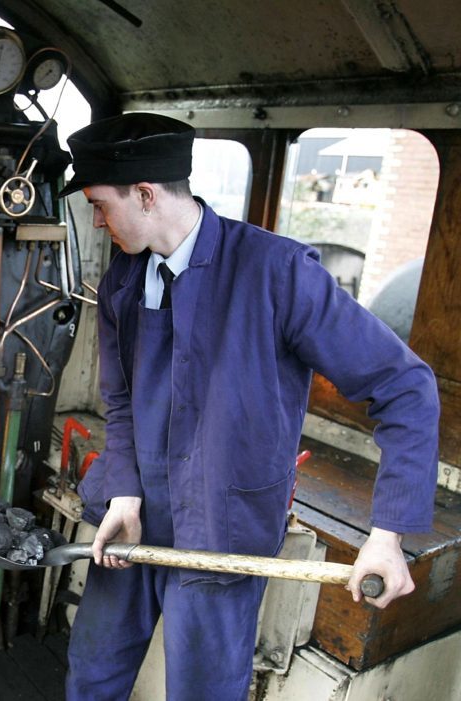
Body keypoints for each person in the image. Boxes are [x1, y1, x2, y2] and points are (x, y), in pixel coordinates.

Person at [60, 113, 439, 700]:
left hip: (222, 527)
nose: (98, 220)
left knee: (204, 693)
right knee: (92, 674)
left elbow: (405, 385)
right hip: (135, 521)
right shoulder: (123, 280)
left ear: (144, 194)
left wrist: (387, 535)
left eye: (100, 204)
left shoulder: (278, 272)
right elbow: (122, 399)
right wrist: (125, 492)